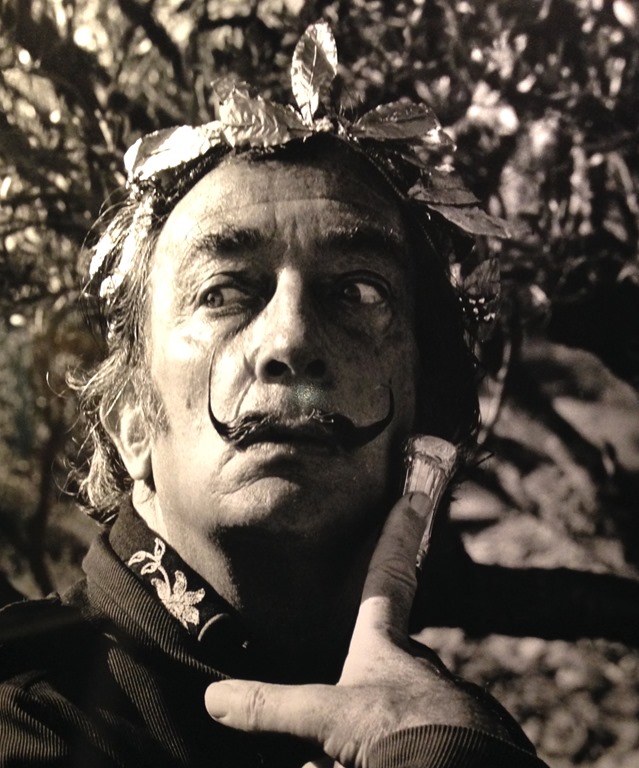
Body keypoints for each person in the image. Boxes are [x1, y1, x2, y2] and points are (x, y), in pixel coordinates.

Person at [0, 24, 547, 768]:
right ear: (131, 424)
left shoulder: (448, 723)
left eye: (358, 292)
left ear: (427, 426)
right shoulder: (27, 718)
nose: (289, 339)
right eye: (222, 292)